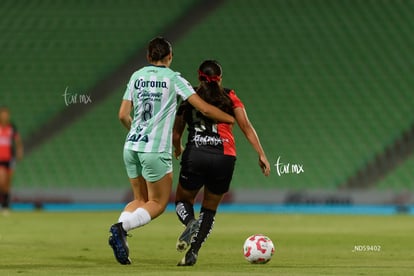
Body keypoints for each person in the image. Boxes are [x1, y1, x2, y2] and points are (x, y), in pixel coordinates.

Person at [108, 37, 234, 265]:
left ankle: (120, 237)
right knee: (157, 203)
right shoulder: (174, 79)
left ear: (148, 57)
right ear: (170, 57)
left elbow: (122, 115)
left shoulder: (136, 76)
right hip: (155, 151)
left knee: (140, 199)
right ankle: (120, 228)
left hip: (131, 145)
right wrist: (228, 117)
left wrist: (137, 131)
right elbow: (203, 107)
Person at [172, 60, 271, 266]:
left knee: (183, 200)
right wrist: (261, 153)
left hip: (196, 154)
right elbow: (246, 126)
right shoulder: (229, 96)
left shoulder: (189, 98)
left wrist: (178, 148)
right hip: (224, 157)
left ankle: (190, 223)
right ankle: (194, 251)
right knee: (209, 208)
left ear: (199, 77)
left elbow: (176, 133)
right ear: (220, 79)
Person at [0, 106, 24, 215]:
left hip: (10, 159)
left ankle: (6, 206)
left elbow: (17, 140)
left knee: (8, 184)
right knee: (1, 179)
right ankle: (4, 203)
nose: (4, 116)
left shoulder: (12, 128)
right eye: (2, 114)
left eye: (6, 114)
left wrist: (19, 151)